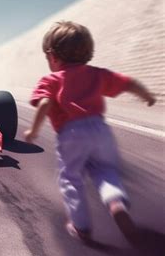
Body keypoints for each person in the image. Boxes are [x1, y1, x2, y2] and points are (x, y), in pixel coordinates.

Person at [24, 21, 156, 244]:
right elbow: (128, 83)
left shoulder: (51, 80)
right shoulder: (97, 74)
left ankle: (81, 225)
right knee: (106, 170)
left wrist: (33, 130)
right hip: (100, 130)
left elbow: (45, 104)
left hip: (71, 133)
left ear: (52, 56)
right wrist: (147, 96)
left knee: (71, 178)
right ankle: (115, 201)